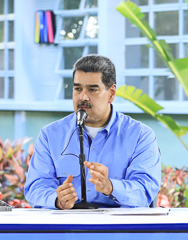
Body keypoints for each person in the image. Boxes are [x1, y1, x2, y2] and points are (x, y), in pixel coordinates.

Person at [25, 55, 160, 208]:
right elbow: (36, 187)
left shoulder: (141, 136)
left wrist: (110, 187)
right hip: (66, 221)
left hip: (116, 222)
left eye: (92, 89)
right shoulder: (50, 135)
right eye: (77, 89)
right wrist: (57, 200)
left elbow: (145, 191)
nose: (83, 97)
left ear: (111, 93)